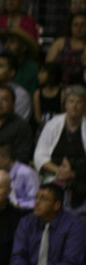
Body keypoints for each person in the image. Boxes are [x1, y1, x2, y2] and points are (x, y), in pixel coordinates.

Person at [33, 85, 86, 215]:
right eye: (71, 101)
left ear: (85, 106)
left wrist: (73, 174)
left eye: (79, 102)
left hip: (82, 176)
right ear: (65, 105)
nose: (74, 106)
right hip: (54, 175)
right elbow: (39, 156)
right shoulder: (53, 124)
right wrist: (60, 171)